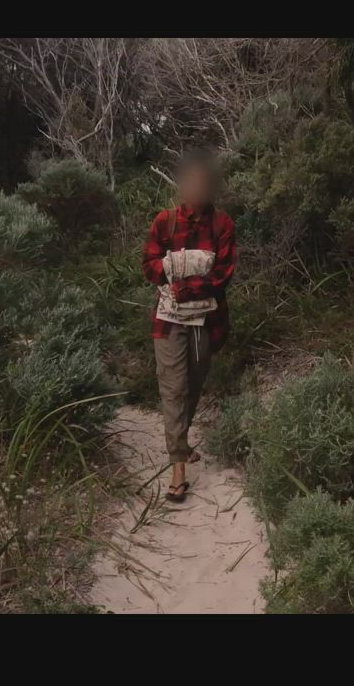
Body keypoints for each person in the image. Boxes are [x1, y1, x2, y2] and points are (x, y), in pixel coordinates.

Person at [141, 151, 237, 502]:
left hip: (207, 320)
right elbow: (149, 266)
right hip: (167, 322)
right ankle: (178, 470)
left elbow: (223, 274)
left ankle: (181, 442)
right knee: (173, 388)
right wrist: (185, 269)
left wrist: (180, 281)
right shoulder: (164, 222)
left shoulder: (223, 225)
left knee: (194, 383)